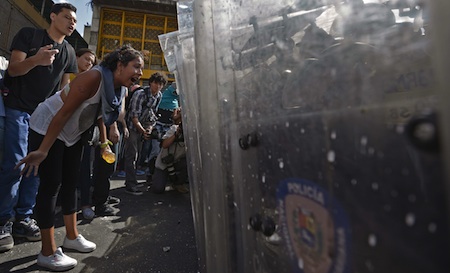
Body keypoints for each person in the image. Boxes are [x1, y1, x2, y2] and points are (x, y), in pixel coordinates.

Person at [15, 44, 143, 271]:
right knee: (51, 186)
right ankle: (47, 252)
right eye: (136, 67)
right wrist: (43, 150)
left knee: (71, 184)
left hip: (74, 134)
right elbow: (61, 114)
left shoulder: (119, 86)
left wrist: (104, 142)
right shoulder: (92, 78)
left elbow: (101, 115)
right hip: (49, 127)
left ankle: (71, 237)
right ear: (120, 65)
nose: (140, 74)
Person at [0, 3, 78, 253]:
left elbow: (62, 92)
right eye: (67, 17)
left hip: (42, 117)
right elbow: (13, 69)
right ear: (52, 16)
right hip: (17, 109)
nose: (72, 22)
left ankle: (24, 217)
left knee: (36, 166)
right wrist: (36, 60)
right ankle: (4, 221)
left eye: (74, 20)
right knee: (15, 163)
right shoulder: (29, 35)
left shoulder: (69, 52)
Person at [124, 72, 167, 195]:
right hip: (133, 127)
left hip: (144, 127)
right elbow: (134, 116)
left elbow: (153, 114)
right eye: (156, 83)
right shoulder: (140, 94)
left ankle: (132, 182)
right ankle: (130, 184)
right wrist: (142, 130)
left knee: (139, 156)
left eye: (160, 84)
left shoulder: (158, 95)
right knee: (131, 155)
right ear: (151, 83)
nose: (158, 86)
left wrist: (149, 128)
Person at [73, 48, 97, 220]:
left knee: (84, 168)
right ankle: (66, 203)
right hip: (65, 129)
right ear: (77, 58)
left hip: (85, 131)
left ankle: (85, 204)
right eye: (87, 58)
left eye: (92, 61)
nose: (89, 62)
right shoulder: (68, 77)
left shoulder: (93, 82)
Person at [151, 109, 189, 194]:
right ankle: (155, 174)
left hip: (178, 162)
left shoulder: (191, 133)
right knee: (158, 189)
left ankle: (178, 183)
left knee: (188, 163)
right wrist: (176, 134)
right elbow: (164, 145)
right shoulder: (173, 129)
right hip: (165, 162)